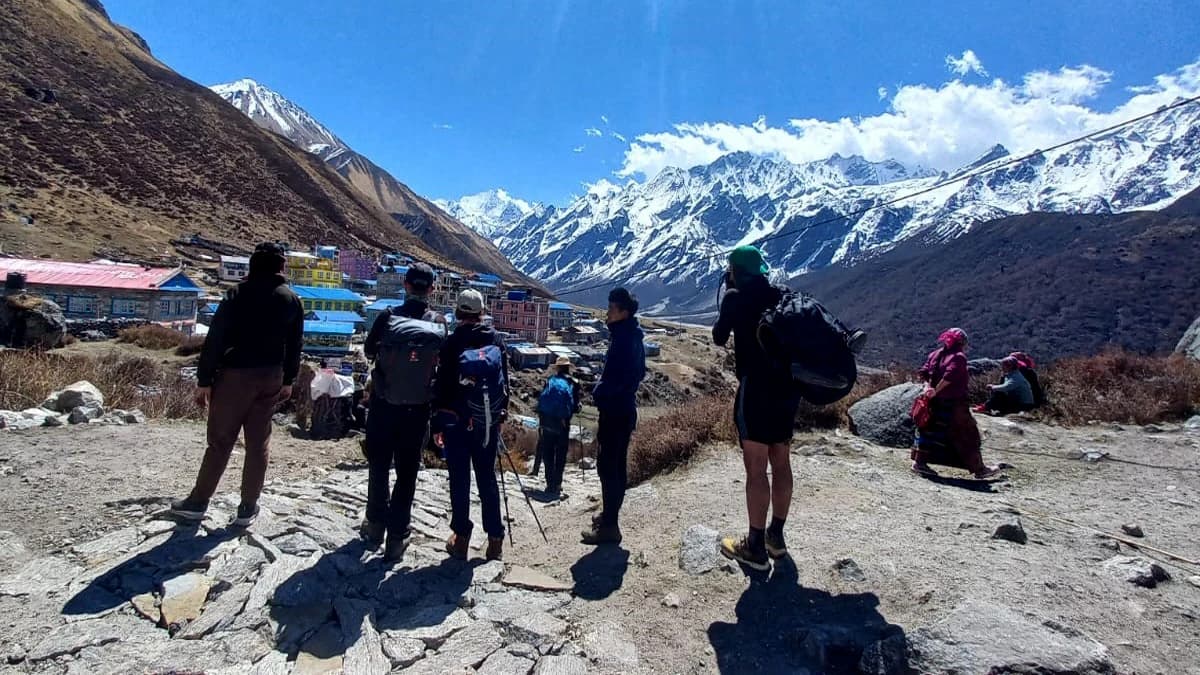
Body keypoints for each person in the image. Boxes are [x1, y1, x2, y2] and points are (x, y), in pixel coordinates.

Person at [170, 243, 303, 527]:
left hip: (235, 376)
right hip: (270, 376)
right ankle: (247, 507)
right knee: (258, 442)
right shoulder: (291, 299)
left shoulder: (236, 295)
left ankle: (198, 502)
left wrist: (204, 380)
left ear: (254, 265)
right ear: (281, 267)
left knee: (220, 441)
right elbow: (295, 346)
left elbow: (215, 338)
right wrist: (289, 379)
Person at [711, 245, 800, 570]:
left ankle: (754, 546)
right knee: (781, 461)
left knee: (755, 468)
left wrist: (729, 295)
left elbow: (719, 337)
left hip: (756, 389)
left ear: (735, 270)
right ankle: (776, 536)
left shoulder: (736, 298)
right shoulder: (782, 295)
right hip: (788, 390)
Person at [360, 263, 444, 562]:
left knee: (379, 466)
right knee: (407, 472)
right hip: (418, 409)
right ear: (431, 289)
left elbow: (370, 351)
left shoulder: (388, 317)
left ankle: (374, 525)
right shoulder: (438, 323)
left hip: (384, 404)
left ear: (406, 285)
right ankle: (397, 536)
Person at [433, 289, 510, 561]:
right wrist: (500, 416)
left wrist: (437, 423)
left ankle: (461, 537)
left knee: (460, 480)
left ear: (458, 313)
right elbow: (505, 383)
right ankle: (495, 538)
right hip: (486, 420)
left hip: (455, 421)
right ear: (481, 311)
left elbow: (441, 386)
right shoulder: (495, 340)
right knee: (487, 478)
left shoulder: (451, 343)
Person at [581, 287, 646, 545]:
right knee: (615, 465)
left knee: (608, 467)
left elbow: (623, 377)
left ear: (623, 312)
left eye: (611, 308)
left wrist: (600, 391)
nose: (607, 313)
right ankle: (610, 516)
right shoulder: (632, 335)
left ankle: (610, 526)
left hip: (615, 409)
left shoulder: (623, 340)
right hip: (624, 409)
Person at [912, 328, 1002, 479]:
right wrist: (936, 390)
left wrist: (929, 388)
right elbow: (950, 376)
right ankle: (980, 469)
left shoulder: (935, 354)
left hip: (932, 402)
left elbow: (925, 372)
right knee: (968, 434)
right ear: (962, 342)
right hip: (953, 404)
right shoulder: (958, 357)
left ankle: (919, 463)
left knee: (928, 430)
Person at [536, 356, 583, 499]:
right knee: (560, 455)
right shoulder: (573, 383)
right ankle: (557, 484)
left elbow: (541, 400)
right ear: (568, 367)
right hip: (563, 424)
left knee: (548, 453)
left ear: (557, 367)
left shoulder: (549, 381)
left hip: (547, 421)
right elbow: (575, 407)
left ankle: (549, 484)